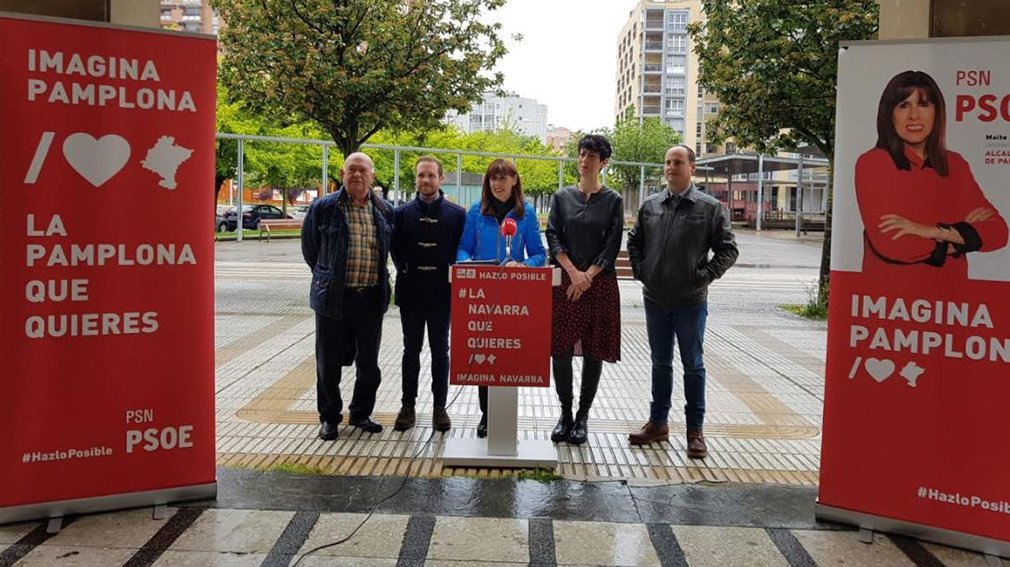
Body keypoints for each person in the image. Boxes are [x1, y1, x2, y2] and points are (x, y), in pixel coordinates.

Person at [626, 145, 738, 459]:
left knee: (693, 366)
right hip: (655, 299)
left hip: (690, 302)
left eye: (677, 162)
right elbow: (634, 241)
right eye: (667, 162)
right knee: (660, 363)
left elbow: (728, 249)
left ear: (692, 167)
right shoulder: (651, 205)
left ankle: (695, 431)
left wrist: (703, 277)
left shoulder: (709, 207)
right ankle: (658, 423)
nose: (671, 167)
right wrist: (642, 272)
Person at [856, 70, 1007, 279]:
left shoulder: (955, 164)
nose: (914, 115)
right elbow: (893, 244)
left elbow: (999, 231)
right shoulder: (874, 163)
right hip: (891, 291)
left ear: (937, 111)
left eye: (924, 104)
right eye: (903, 105)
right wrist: (962, 238)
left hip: (953, 293)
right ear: (889, 114)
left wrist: (931, 231)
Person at [301, 152, 394, 440]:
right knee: (328, 362)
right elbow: (311, 250)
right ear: (342, 174)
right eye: (351, 169)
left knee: (369, 363)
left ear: (372, 175)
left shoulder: (384, 210)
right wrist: (328, 277)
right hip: (333, 299)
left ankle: (361, 413)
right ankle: (329, 417)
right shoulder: (324, 208)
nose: (357, 175)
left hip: (371, 299)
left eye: (362, 170)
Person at [456, 158, 546, 437]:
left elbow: (539, 255)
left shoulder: (526, 214)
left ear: (514, 180)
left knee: (507, 354)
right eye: (493, 179)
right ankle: (486, 414)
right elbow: (463, 249)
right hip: (482, 296)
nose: (497, 184)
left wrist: (524, 266)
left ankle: (504, 415)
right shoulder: (476, 211)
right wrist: (468, 265)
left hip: (513, 296)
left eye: (503, 178)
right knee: (486, 353)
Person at [544, 135, 623, 445]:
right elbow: (553, 236)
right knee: (560, 350)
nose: (584, 160)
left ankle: (582, 417)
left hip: (599, 283)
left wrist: (587, 276)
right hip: (565, 281)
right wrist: (573, 273)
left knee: (594, 350)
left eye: (591, 155)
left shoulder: (613, 200)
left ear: (603, 162)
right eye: (581, 154)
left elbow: (612, 243)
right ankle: (564, 414)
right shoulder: (561, 197)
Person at [391, 156, 466, 432]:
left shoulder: (457, 215)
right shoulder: (400, 214)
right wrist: (408, 269)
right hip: (411, 291)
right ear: (416, 178)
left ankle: (439, 407)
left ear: (441, 179)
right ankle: (407, 405)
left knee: (440, 350)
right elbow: (395, 249)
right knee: (410, 350)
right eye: (421, 175)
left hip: (442, 293)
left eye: (431, 175)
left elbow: (460, 251)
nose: (426, 180)